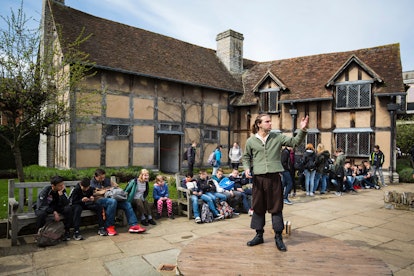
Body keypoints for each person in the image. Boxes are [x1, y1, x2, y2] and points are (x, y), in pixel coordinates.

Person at [242, 113, 309, 252]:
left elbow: (294, 142)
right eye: (267, 121)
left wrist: (302, 129)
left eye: (270, 121)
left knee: (276, 207)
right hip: (258, 178)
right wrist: (247, 168)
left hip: (274, 178)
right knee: (258, 206)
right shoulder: (251, 141)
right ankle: (258, 235)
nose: (270, 124)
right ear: (259, 124)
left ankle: (278, 237)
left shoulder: (277, 137)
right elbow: (246, 157)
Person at [91, 168, 146, 236]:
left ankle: (134, 225)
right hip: (99, 200)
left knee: (127, 204)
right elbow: (93, 193)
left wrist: (109, 188)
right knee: (112, 202)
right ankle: (109, 226)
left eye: (103, 177)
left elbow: (116, 186)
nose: (102, 179)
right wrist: (104, 190)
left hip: (111, 198)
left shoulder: (107, 180)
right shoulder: (92, 183)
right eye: (101, 178)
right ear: (96, 176)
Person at [35, 175, 73, 241]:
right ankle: (39, 234)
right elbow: (42, 205)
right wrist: (54, 212)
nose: (62, 187)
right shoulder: (46, 190)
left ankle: (66, 231)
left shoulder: (61, 190)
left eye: (62, 185)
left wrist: (61, 195)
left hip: (56, 207)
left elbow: (66, 202)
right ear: (53, 185)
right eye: (60, 185)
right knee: (41, 214)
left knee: (68, 209)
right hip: (45, 207)